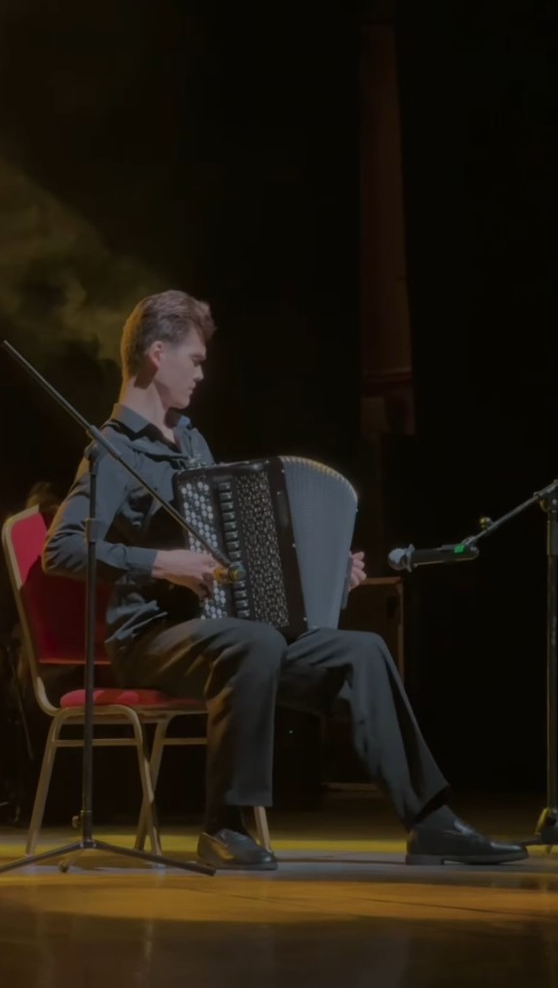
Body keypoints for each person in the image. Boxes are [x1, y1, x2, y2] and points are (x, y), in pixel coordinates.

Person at [42, 289, 527, 870]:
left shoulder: (191, 441)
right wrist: (161, 563)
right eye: (195, 359)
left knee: (362, 652)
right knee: (255, 641)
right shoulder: (111, 451)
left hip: (226, 633)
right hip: (150, 639)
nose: (202, 373)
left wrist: (322, 577)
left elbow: (230, 550)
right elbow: (61, 550)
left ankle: (430, 821)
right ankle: (225, 825)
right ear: (157, 354)